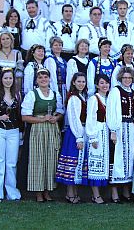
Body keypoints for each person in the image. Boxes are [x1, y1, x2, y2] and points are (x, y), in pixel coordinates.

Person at [21, 68, 64, 202]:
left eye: (45, 77)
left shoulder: (55, 94)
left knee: (51, 159)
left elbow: (61, 112)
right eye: (40, 78)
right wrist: (42, 119)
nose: (43, 80)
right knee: (38, 160)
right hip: (37, 130)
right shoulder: (32, 94)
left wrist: (56, 118)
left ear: (49, 79)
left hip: (51, 129)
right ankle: (38, 192)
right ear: (36, 80)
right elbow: (25, 117)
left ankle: (47, 191)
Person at [0, 68, 22, 202]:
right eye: (5, 78)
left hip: (13, 132)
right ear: (1, 79)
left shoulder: (17, 95)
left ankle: (12, 192)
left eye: (10, 78)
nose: (8, 81)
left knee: (12, 163)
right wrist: (0, 117)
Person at [107, 66, 134, 202]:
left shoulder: (133, 92)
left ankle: (126, 189)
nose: (127, 80)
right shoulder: (115, 91)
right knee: (117, 156)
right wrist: (113, 130)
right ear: (120, 78)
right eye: (125, 77)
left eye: (129, 78)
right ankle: (114, 191)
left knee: (129, 157)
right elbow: (112, 110)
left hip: (131, 127)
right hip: (119, 126)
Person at [55, 72, 87, 204]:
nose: (81, 84)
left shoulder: (81, 96)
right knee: (72, 163)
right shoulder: (74, 98)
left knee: (77, 163)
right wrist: (79, 137)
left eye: (83, 82)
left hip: (81, 131)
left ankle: (74, 191)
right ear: (73, 82)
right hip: (75, 133)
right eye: (78, 81)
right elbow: (74, 119)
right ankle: (69, 192)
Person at [85, 74, 110, 204]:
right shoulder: (94, 99)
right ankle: (95, 194)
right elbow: (90, 119)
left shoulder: (108, 98)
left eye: (106, 83)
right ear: (96, 85)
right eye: (101, 83)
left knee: (103, 162)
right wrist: (92, 137)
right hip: (97, 132)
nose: (104, 85)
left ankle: (100, 193)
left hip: (106, 132)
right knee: (95, 161)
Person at [44, 37, 68, 103]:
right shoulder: (50, 60)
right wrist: (55, 92)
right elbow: (52, 78)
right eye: (55, 45)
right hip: (56, 88)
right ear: (51, 47)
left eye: (60, 45)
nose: (58, 47)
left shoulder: (64, 61)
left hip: (64, 89)